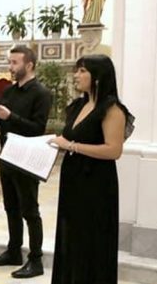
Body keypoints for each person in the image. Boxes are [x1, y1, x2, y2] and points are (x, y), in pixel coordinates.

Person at [48, 54, 134, 283]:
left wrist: (71, 146)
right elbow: (68, 140)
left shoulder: (111, 109)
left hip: (95, 184)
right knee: (72, 236)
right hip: (74, 179)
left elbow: (113, 150)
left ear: (97, 77)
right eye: (76, 70)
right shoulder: (79, 105)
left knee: (91, 239)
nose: (76, 75)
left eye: (82, 71)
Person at [0, 46, 53, 278]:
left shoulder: (42, 93)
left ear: (29, 65)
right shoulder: (9, 92)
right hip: (7, 155)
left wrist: (10, 116)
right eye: (10, 62)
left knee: (30, 210)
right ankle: (14, 250)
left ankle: (36, 260)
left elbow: (37, 128)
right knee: (11, 207)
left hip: (27, 157)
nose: (11, 67)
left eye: (15, 62)